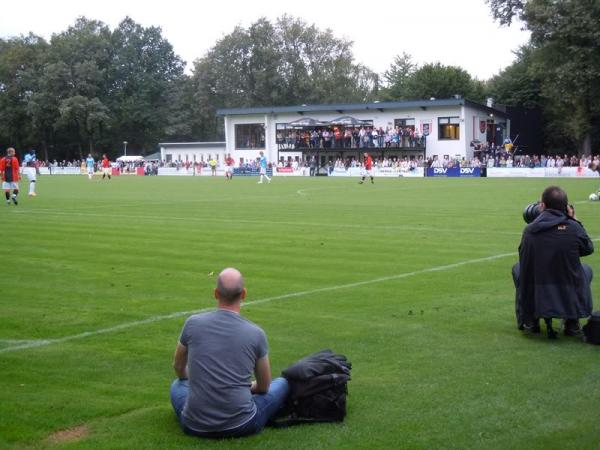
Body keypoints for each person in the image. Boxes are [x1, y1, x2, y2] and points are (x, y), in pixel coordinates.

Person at [170, 268, 289, 438]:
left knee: (177, 385)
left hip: (194, 424)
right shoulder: (256, 333)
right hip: (241, 424)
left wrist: (199, 381)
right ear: (244, 294)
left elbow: (178, 366)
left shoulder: (192, 323)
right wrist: (248, 387)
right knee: (283, 383)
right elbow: (264, 387)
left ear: (216, 293)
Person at [512, 186, 594, 336]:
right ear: (566, 207)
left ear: (542, 205)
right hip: (567, 282)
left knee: (518, 268)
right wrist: (574, 219)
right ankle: (572, 322)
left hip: (539, 284)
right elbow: (588, 249)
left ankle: (531, 320)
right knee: (586, 270)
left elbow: (523, 256)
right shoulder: (574, 227)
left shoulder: (530, 230)